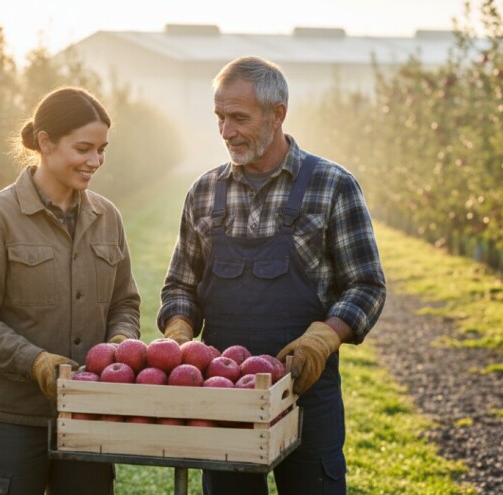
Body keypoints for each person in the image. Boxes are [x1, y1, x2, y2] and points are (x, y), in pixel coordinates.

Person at [157, 56, 386, 494]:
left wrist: (323, 338)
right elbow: (181, 284)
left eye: (239, 118)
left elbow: (367, 285)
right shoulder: (205, 192)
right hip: (222, 395)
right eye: (220, 118)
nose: (226, 132)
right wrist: (180, 330)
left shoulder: (332, 185)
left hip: (304, 392)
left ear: (277, 113)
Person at [0, 86, 141, 495]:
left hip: (89, 412)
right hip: (13, 418)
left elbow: (124, 301)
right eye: (84, 148)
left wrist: (121, 342)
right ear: (45, 142)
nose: (95, 161)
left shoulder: (107, 217)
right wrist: (35, 362)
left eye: (102, 150)